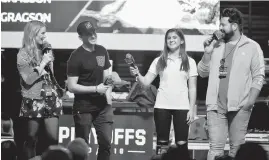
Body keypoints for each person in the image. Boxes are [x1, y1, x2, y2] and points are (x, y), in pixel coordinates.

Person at [197, 8, 265, 160]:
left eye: (223, 25)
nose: (220, 28)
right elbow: (202, 72)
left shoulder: (252, 46)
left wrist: (249, 102)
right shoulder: (215, 45)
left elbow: (259, 76)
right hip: (215, 108)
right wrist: (207, 52)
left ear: (234, 26)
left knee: (237, 150)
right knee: (215, 150)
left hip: (240, 107)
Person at [130, 28, 198, 158]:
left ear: (182, 40)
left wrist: (191, 109)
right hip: (162, 106)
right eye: (168, 38)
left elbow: (192, 88)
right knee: (162, 144)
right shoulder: (159, 61)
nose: (171, 40)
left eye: (174, 37)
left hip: (182, 107)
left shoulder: (190, 62)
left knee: (182, 144)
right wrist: (137, 74)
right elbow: (145, 82)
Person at [67, 20, 113, 160]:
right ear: (81, 37)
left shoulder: (101, 51)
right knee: (82, 147)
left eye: (94, 32)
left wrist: (109, 91)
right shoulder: (75, 57)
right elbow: (71, 86)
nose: (93, 35)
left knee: (106, 144)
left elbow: (105, 75)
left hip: (103, 107)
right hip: (84, 107)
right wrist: (95, 88)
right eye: (88, 34)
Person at [17, 20, 63, 160]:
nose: (45, 36)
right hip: (33, 99)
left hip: (51, 98)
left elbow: (51, 76)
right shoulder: (23, 54)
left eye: (45, 33)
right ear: (33, 33)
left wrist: (49, 61)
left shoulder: (46, 50)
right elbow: (28, 79)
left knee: (53, 139)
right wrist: (42, 63)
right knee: (31, 138)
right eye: (42, 33)